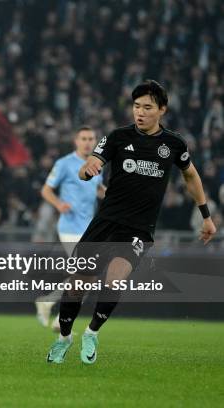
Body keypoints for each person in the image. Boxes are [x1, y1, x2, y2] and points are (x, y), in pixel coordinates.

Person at [46, 80, 217, 365]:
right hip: (105, 223)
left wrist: (207, 216)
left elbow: (191, 176)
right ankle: (64, 337)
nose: (140, 112)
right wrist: (88, 169)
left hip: (138, 229)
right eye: (136, 106)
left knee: (115, 280)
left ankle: (91, 332)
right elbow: (90, 165)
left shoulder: (173, 144)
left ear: (161, 110)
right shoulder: (117, 137)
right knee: (77, 286)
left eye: (147, 107)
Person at [35, 126, 105, 331]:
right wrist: (58, 205)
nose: (87, 142)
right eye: (83, 138)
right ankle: (60, 319)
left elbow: (98, 188)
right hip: (69, 227)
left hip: (89, 227)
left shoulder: (97, 164)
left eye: (91, 138)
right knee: (86, 274)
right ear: (76, 141)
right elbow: (46, 190)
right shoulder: (64, 164)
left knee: (85, 278)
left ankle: (48, 304)